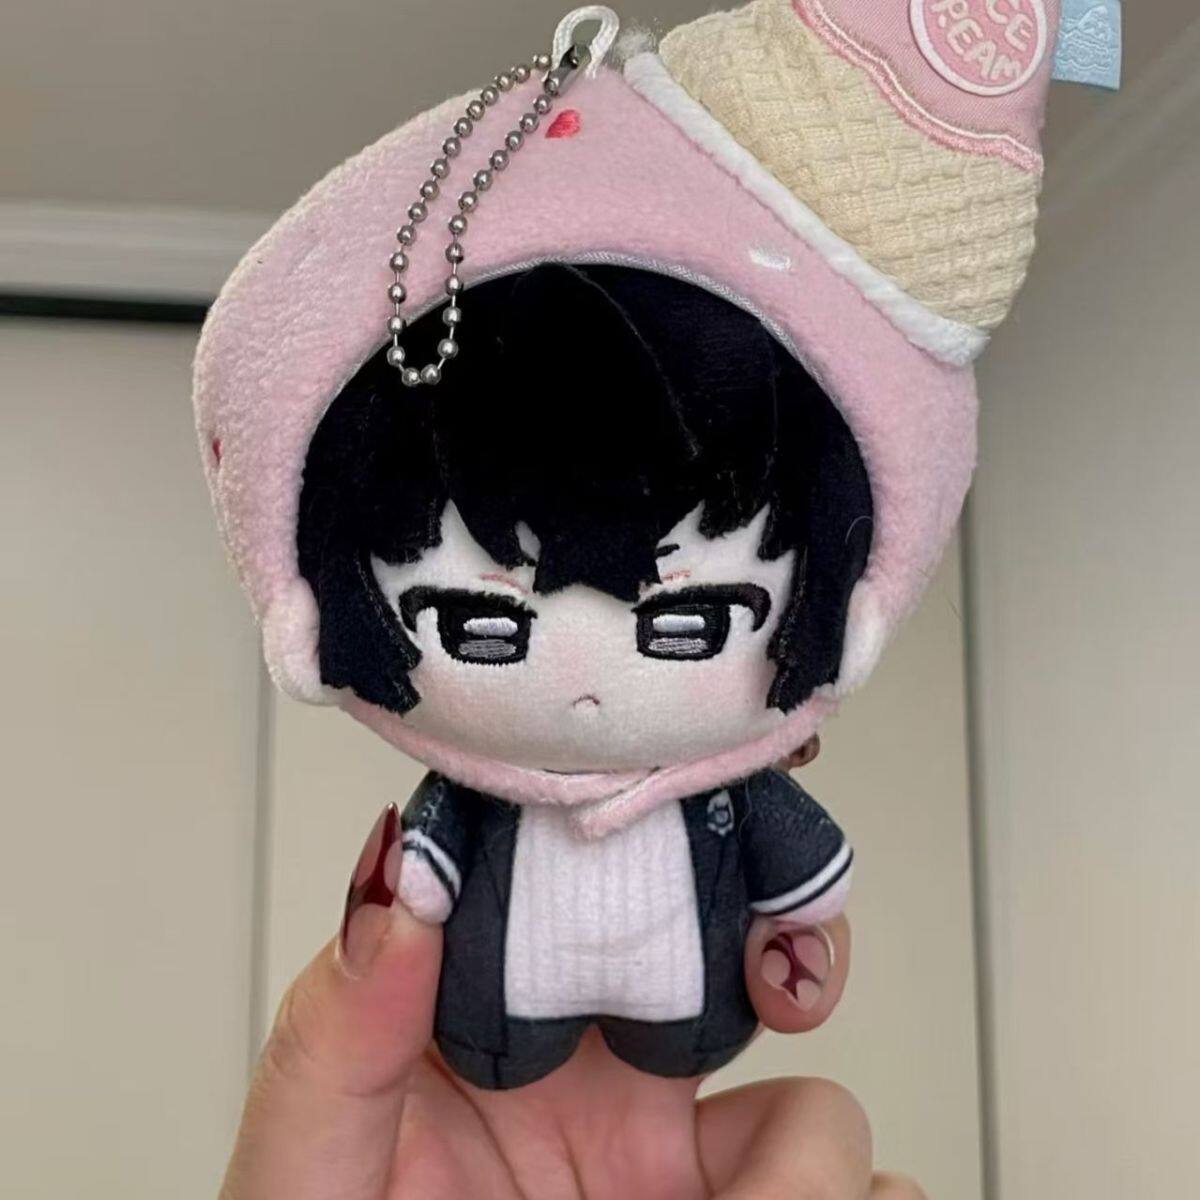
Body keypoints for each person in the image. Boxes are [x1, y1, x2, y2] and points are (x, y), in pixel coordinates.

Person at [218, 793, 926, 1199]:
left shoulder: (725, 779)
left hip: (666, 1013)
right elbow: (433, 853)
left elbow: (806, 865)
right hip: (497, 1028)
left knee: (817, 1127)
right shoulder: (479, 782)